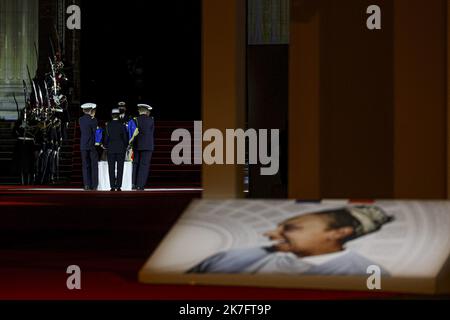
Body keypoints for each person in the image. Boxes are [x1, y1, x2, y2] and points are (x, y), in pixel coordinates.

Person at [188, 205, 394, 275]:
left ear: (338, 233)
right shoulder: (227, 258)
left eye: (291, 228)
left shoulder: (369, 274)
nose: (270, 234)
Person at [130, 104, 154, 191]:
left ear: (139, 110)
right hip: (147, 146)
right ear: (147, 111)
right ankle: (140, 185)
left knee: (135, 164)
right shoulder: (151, 120)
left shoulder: (134, 120)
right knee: (144, 166)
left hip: (137, 145)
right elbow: (152, 132)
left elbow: (131, 133)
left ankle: (133, 183)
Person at [104, 109, 128, 191]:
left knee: (111, 168)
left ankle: (112, 186)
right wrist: (125, 146)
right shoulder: (122, 125)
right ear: (118, 115)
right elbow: (125, 138)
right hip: (121, 149)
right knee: (120, 168)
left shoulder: (108, 125)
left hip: (110, 149)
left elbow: (106, 138)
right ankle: (118, 186)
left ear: (112, 115)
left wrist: (105, 145)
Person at [79, 103, 99, 191]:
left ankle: (86, 184)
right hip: (91, 145)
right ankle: (94, 185)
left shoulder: (80, 119)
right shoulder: (93, 120)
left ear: (83, 110)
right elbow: (95, 133)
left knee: (85, 165)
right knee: (93, 165)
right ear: (91, 110)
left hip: (83, 145)